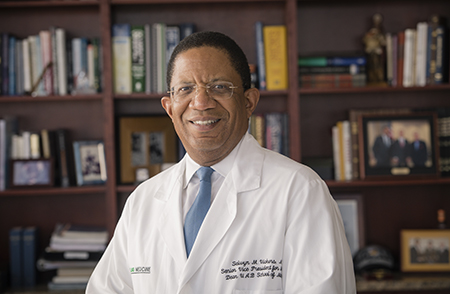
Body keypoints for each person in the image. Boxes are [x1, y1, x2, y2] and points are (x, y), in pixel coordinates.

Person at [86, 31, 356, 293]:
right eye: (185, 89)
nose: (201, 102)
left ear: (249, 102)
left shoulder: (300, 191)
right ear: (169, 107)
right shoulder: (142, 201)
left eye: (219, 87)